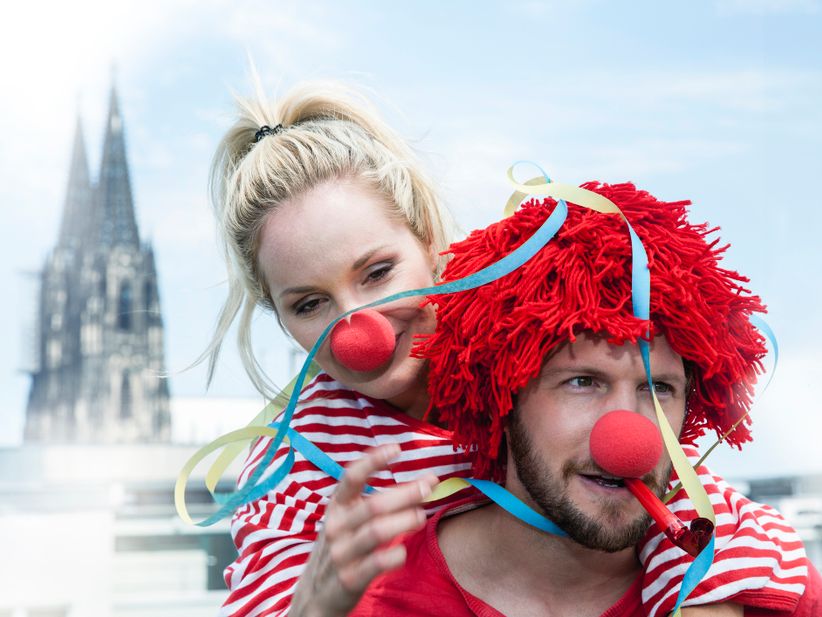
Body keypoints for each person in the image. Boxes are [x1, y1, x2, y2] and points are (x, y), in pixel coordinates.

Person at [204, 81, 810, 617]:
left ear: (432, 244)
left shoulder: (528, 340)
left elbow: (694, 501)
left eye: (378, 272)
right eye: (308, 304)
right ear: (279, 320)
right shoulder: (298, 466)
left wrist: (706, 596)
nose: (357, 333)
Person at [347, 181, 819, 616]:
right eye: (582, 381)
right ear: (500, 397)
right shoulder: (371, 600)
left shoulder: (772, 595)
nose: (630, 440)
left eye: (658, 388)